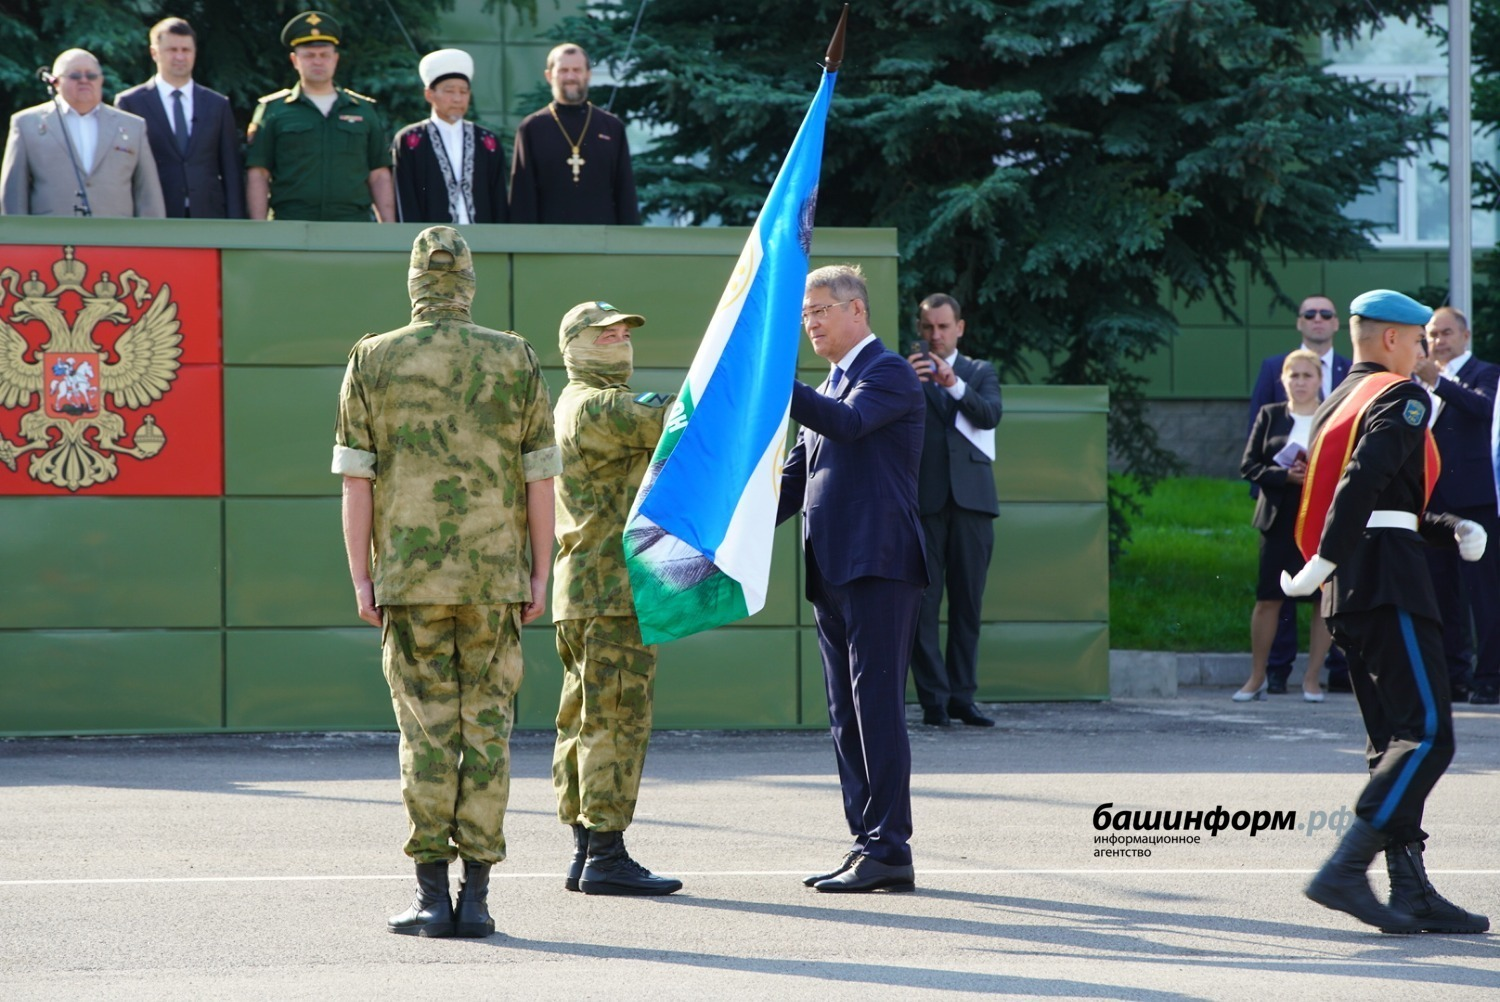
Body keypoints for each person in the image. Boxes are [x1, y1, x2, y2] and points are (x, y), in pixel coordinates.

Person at [333, 226, 559, 938]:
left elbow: (356, 482)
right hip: (495, 578)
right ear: (469, 285)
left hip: (410, 578)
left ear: (414, 283)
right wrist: (542, 571)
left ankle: (432, 897)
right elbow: (540, 478)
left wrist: (363, 578)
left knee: (425, 735)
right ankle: (480, 897)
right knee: (487, 735)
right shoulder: (515, 357)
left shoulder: (373, 359)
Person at [1284, 288, 1488, 934]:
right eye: (1421, 339)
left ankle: (1410, 889)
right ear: (1395, 339)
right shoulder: (1401, 395)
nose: (1427, 350)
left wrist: (1446, 526)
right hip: (1387, 582)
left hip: (1352, 587)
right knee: (1428, 732)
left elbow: (1383, 499)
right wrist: (1326, 554)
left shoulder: (1338, 401)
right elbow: (1364, 484)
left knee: (1393, 741)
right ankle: (1347, 868)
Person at [776, 264, 927, 894]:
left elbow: (851, 426)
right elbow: (792, 480)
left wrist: (771, 385)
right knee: (845, 715)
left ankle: (890, 846)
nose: (810, 322)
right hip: (831, 569)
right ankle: (867, 841)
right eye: (806, 314)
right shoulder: (829, 385)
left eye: (819, 310)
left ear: (856, 311)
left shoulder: (884, 373)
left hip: (880, 564)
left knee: (876, 709)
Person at [550, 301, 681, 897]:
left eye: (626, 331)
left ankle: (586, 850)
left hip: (583, 591)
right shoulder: (599, 405)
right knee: (617, 721)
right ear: (576, 343)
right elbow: (681, 418)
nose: (623, 339)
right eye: (608, 334)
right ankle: (606, 851)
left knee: (583, 720)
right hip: (612, 591)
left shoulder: (572, 404)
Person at [904, 293, 1003, 727]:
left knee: (968, 606)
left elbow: (989, 416)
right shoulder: (907, 374)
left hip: (973, 505)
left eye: (944, 327)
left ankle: (963, 697)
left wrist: (953, 384)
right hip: (924, 505)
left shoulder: (980, 372)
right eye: (928, 328)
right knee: (922, 607)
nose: (936, 336)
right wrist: (905, 382)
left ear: (959, 328)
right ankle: (934, 703)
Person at [1248, 294, 1353, 694]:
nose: (1318, 320)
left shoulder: (1348, 372)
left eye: (1326, 313)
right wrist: (1269, 485)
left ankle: (1325, 674)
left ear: (1337, 323)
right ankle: (1274, 671)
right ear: (1299, 322)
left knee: (1321, 594)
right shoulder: (1273, 370)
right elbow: (1253, 446)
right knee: (1275, 592)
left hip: (1322, 508)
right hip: (1279, 507)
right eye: (1310, 314)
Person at [1413, 306, 1500, 705]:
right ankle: (1453, 674)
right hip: (1433, 504)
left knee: (1483, 591)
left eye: (1447, 333)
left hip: (1474, 499)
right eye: (1432, 334)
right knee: (1441, 591)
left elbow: (1482, 408)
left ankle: (1490, 676)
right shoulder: (1419, 380)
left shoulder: (1485, 372)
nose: (1438, 341)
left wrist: (1440, 381)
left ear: (1465, 336)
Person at [1237, 349, 1333, 702]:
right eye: (1294, 376)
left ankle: (1311, 679)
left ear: (1319, 380)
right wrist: (1284, 475)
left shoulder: (1331, 416)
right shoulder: (1270, 415)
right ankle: (1257, 677)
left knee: (1322, 597)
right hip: (1278, 517)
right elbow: (1249, 465)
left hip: (1319, 517)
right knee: (1269, 598)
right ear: (1284, 380)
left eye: (1307, 376)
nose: (1301, 382)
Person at [246, 10, 395, 222]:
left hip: (353, 226)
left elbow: (379, 173)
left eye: (324, 55)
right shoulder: (274, 110)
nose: (317, 62)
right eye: (309, 55)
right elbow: (259, 173)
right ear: (294, 60)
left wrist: (388, 227)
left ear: (336, 59)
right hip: (291, 224)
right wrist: (259, 229)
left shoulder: (362, 110)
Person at [1, 49, 165, 218]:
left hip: (116, 236)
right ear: (55, 82)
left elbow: (148, 194)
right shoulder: (26, 124)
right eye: (75, 76)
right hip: (51, 236)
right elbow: (13, 195)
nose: (84, 81)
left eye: (91, 76)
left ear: (101, 80)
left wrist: (153, 240)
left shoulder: (133, 126)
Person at [115, 17, 245, 218]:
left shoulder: (217, 104)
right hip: (154, 216)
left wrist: (236, 221)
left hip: (208, 215)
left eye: (186, 50)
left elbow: (231, 169)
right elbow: (124, 169)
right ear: (154, 53)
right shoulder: (131, 103)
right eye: (172, 50)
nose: (180, 57)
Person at [508, 43, 640, 225]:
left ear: (588, 74)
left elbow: (625, 194)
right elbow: (522, 200)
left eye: (577, 70)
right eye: (563, 70)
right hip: (548, 244)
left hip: (603, 243)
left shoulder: (612, 127)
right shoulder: (532, 128)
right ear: (549, 76)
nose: (570, 76)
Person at [392, 48, 508, 224]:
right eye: (449, 91)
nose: (457, 99)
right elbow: (405, 199)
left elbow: (498, 198)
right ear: (429, 94)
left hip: (484, 240)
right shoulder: (410, 140)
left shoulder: (486, 140)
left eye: (463, 92)